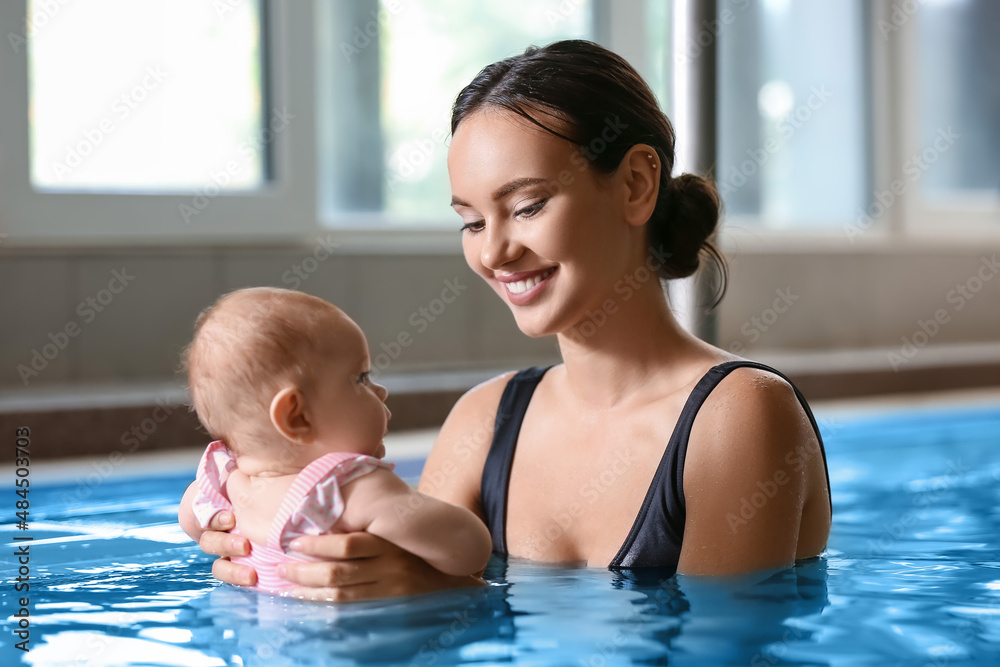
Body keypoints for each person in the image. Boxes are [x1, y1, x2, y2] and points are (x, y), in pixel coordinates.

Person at [189, 40, 832, 601]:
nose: (494, 252)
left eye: (527, 206)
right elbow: (385, 577)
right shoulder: (485, 419)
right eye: (470, 222)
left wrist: (447, 591)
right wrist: (255, 534)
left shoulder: (739, 414)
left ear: (636, 183)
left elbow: (719, 646)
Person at [176, 287, 492, 594]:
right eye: (361, 378)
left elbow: (189, 520)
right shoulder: (350, 489)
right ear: (296, 416)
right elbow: (469, 549)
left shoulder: (222, 487)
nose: (381, 391)